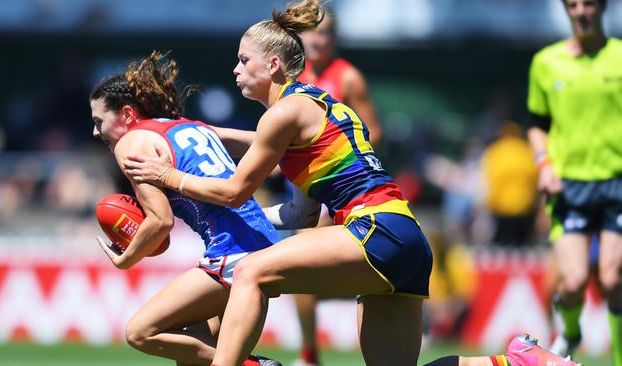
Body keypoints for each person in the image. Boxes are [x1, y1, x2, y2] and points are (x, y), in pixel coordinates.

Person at [122, 2, 579, 366]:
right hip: (404, 237)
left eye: (244, 60)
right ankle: (521, 360)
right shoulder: (311, 104)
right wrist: (218, 138)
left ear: (275, 64)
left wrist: (167, 176)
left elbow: (234, 191)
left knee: (251, 272)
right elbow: (300, 215)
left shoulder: (283, 112)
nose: (236, 69)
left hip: (373, 229)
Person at [89, 51, 283, 366]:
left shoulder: (130, 144)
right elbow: (263, 140)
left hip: (233, 253)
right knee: (189, 355)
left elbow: (160, 222)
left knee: (141, 332)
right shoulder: (187, 125)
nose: (96, 132)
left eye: (99, 122)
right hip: (263, 243)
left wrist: (126, 258)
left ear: (126, 114)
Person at [526, 0, 622, 364]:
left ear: (603, 7)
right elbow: (537, 124)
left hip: (617, 183)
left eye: (589, 4)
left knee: (613, 281)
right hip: (568, 187)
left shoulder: (619, 56)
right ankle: (570, 331)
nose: (582, 12)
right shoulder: (546, 62)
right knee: (574, 282)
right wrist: (543, 164)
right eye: (574, 5)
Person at [293, 7, 383, 366]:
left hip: (343, 190)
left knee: (303, 268)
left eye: (326, 33)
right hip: (306, 189)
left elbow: (372, 130)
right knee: (302, 275)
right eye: (312, 32)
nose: (318, 39)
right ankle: (310, 353)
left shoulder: (347, 78)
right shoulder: (293, 76)